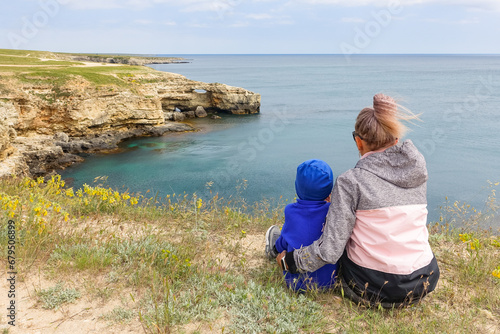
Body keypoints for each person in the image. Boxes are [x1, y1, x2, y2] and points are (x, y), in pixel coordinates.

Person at [277, 93, 440, 307]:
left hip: (372, 286)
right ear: (396, 140)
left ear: (358, 141)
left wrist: (290, 261)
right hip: (423, 280)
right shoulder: (418, 170)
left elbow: (330, 250)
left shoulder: (351, 182)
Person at [265, 159, 338, 292]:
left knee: (283, 240)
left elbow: (286, 240)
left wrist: (278, 248)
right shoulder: (333, 211)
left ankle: (272, 248)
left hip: (296, 282)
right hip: (330, 281)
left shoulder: (291, 211)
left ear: (298, 187)